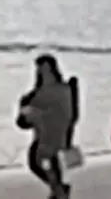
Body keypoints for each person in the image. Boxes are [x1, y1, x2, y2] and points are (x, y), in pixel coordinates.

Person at [16, 54, 78, 199]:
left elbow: (69, 115)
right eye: (40, 70)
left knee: (51, 169)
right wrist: (25, 112)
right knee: (38, 166)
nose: (43, 73)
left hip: (56, 139)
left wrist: (39, 113)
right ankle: (59, 190)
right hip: (41, 138)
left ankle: (59, 191)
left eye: (46, 69)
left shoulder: (64, 90)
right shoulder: (36, 93)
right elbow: (22, 122)